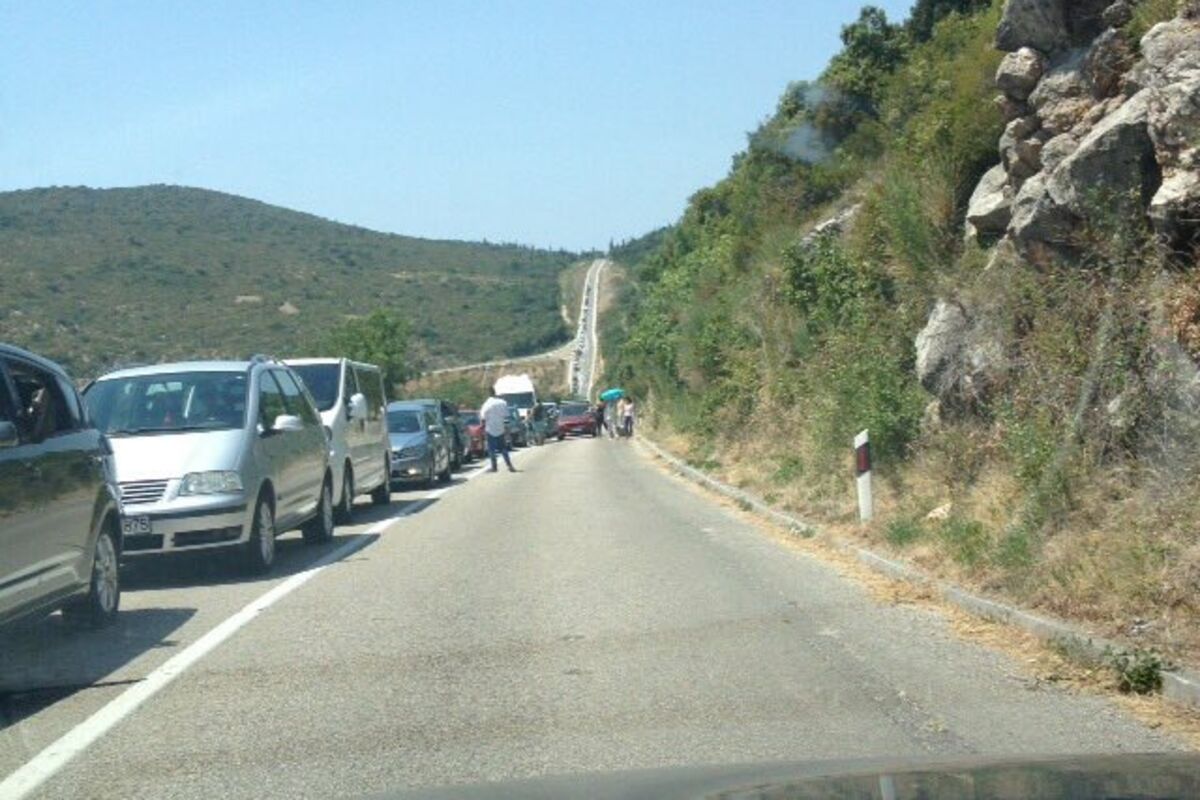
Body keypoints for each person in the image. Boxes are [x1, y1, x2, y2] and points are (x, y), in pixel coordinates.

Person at [480, 386, 516, 472]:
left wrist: (482, 427)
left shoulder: (486, 404)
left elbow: (483, 417)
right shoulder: (502, 402)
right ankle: (509, 465)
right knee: (503, 448)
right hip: (500, 428)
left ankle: (494, 467)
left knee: (491, 449)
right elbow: (506, 415)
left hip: (490, 428)